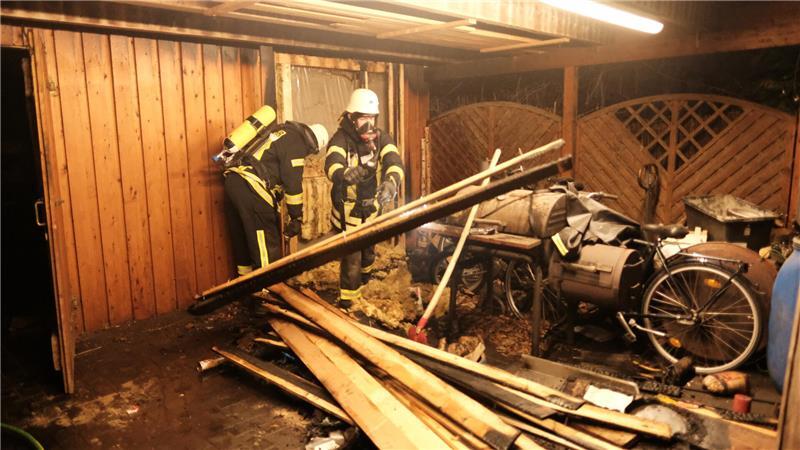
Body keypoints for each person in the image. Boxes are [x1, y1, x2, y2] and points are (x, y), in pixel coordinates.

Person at [324, 88, 405, 308]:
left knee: (368, 253)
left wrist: (391, 182)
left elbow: (394, 162)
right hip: (349, 211)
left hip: (371, 209)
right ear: (352, 117)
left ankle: (366, 281)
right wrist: (344, 174)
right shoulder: (341, 139)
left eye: (372, 118)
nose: (369, 124)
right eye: (363, 118)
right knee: (352, 258)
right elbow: (331, 163)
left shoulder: (382, 138)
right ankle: (349, 303)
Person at [223, 112, 328, 276]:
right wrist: (296, 218)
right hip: (253, 187)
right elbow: (293, 184)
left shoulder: (281, 131)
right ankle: (267, 287)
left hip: (234, 181)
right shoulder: (297, 143)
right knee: (267, 246)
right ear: (314, 147)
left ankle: (245, 287)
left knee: (243, 242)